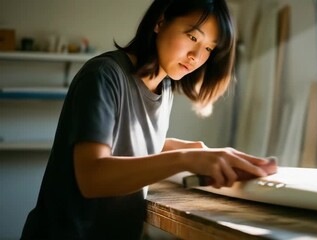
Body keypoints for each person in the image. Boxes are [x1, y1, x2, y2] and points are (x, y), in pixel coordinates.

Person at [21, 0, 271, 239]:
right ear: (160, 22)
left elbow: (132, 141)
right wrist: (185, 158)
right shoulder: (103, 76)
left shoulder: (164, 86)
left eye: (208, 48)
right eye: (193, 37)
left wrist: (197, 150)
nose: (196, 55)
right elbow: (92, 177)